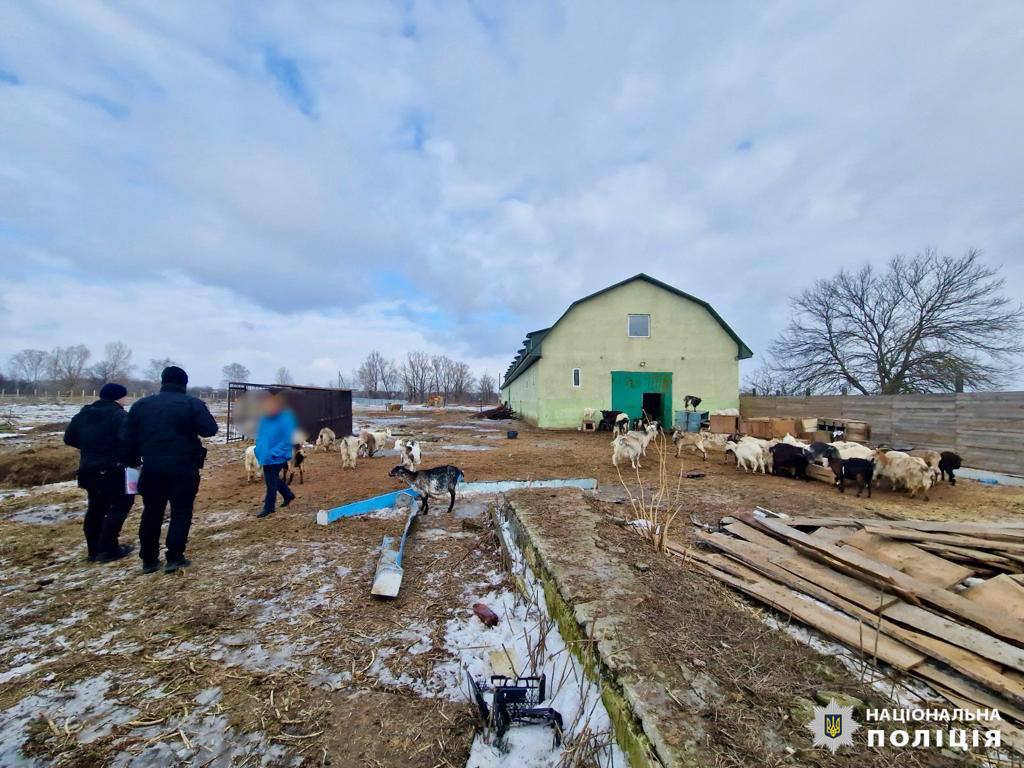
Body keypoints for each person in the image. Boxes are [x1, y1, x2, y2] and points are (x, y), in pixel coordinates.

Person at [121, 366, 218, 573]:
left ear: (162, 381)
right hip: (183, 467)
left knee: (152, 512)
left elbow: (126, 437)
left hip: (152, 466)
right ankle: (174, 557)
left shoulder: (141, 405)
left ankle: (149, 560)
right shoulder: (192, 404)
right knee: (181, 511)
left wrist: (134, 460)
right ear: (184, 384)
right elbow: (210, 429)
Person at [63, 383, 135, 563]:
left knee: (95, 508)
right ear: (119, 397)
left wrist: (90, 447)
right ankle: (108, 549)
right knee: (120, 505)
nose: (127, 399)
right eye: (125, 396)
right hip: (113, 469)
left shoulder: (83, 414)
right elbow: (130, 441)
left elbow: (69, 438)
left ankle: (93, 550)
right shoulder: (120, 416)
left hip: (88, 469)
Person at [253, 389, 297, 518]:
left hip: (277, 456)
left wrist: (273, 453)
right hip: (266, 455)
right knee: (272, 479)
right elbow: (261, 436)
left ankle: (269, 507)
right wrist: (258, 450)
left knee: (270, 481)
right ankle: (288, 495)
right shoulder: (264, 418)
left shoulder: (285, 418)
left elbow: (286, 439)